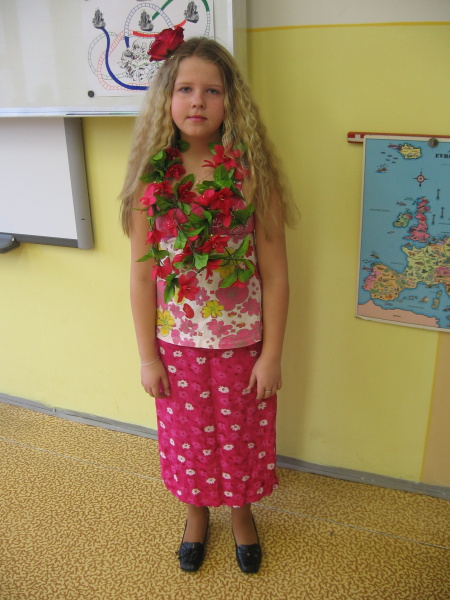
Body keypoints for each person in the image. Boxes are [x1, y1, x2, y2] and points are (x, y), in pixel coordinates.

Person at [120, 30, 295, 574]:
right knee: (188, 439)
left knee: (242, 437)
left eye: (212, 90)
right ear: (167, 99)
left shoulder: (251, 176)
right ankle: (196, 515)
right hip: (176, 347)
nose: (198, 101)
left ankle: (241, 515)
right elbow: (142, 274)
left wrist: (271, 355)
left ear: (230, 101)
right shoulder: (151, 180)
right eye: (186, 89)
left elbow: (276, 274)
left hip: (244, 344)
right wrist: (148, 357)